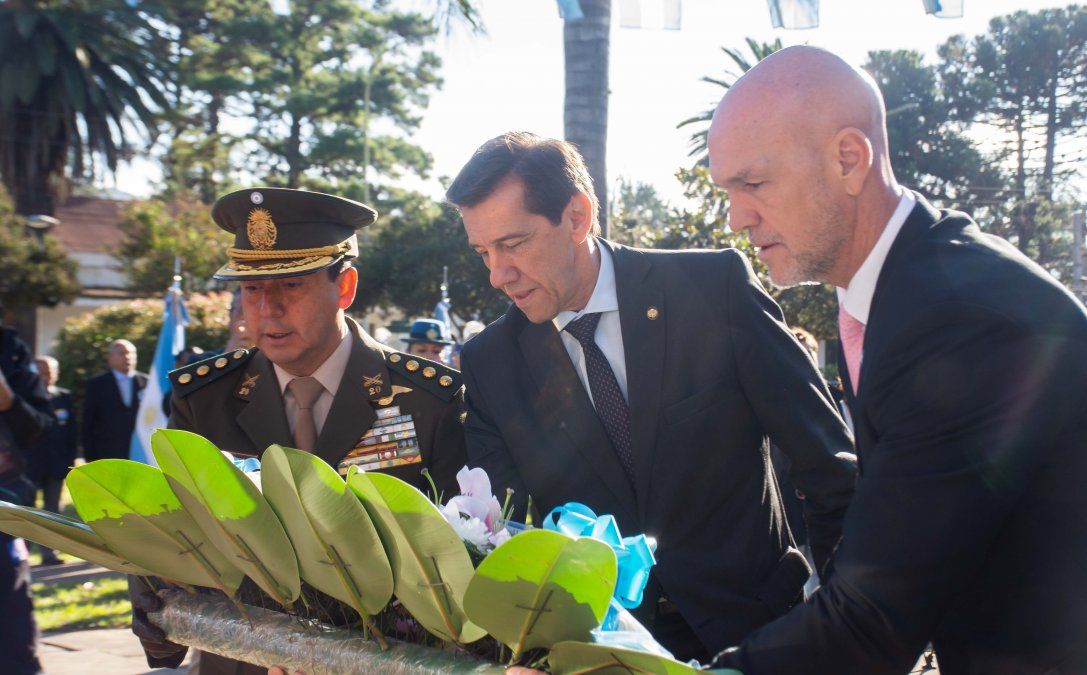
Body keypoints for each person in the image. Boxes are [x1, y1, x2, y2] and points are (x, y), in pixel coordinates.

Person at [705, 46, 1087, 674]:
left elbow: (873, 621)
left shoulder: (956, 320)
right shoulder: (907, 286)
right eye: (728, 190)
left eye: (754, 184)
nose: (736, 217)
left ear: (848, 159)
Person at [446, 132, 857, 661]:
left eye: (513, 244)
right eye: (483, 252)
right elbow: (510, 537)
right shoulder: (489, 362)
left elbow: (829, 467)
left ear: (577, 217)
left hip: (762, 635)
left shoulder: (713, 290)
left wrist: (845, 629)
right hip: (601, 656)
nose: (498, 275)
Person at [130, 187, 469, 675]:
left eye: (290, 286)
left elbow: (459, 557)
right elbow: (176, 539)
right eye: (251, 289)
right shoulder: (206, 400)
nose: (266, 310)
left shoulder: (428, 401)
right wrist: (154, 596)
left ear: (345, 287)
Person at [0, 308, 51, 674]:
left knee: (12, 632)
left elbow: (39, 427)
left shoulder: (9, 348)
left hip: (4, 511)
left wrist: (7, 399)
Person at [26, 355, 78, 565]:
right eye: (40, 372)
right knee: (26, 509)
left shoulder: (64, 396)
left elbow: (71, 432)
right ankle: (24, 553)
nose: (44, 376)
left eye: (48, 372)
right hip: (29, 466)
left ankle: (49, 553)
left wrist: (69, 461)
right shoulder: (24, 397)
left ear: (56, 374)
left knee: (52, 510)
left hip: (56, 464)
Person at [81, 339, 147, 462]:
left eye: (132, 353)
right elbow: (89, 422)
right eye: (122, 353)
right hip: (108, 452)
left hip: (140, 452)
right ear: (110, 357)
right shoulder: (97, 384)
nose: (128, 357)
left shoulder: (146, 382)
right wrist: (90, 457)